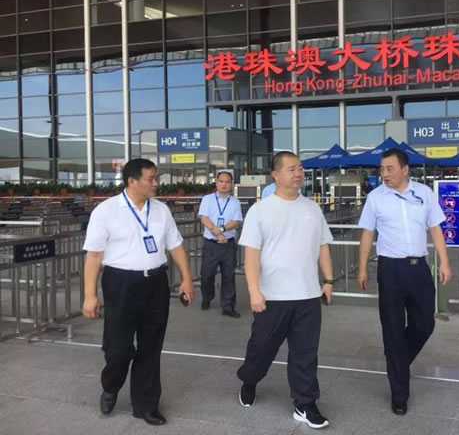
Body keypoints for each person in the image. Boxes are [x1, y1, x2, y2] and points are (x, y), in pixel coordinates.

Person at [82, 158, 194, 426]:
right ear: (132, 181)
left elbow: (176, 246)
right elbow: (94, 256)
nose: (156, 184)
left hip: (155, 283)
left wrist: (187, 279)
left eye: (157, 178)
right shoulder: (106, 211)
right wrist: (89, 295)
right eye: (150, 179)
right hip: (120, 284)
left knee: (151, 346)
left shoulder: (161, 210)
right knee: (118, 348)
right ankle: (111, 386)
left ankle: (146, 405)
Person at [237, 151, 334, 429]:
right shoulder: (260, 210)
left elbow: (323, 246)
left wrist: (328, 281)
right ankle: (249, 380)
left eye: (300, 168)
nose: (298, 173)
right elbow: (251, 254)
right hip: (272, 297)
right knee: (261, 349)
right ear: (275, 175)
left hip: (307, 295)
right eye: (292, 169)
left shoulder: (312, 209)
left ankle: (305, 404)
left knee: (305, 353)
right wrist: (254, 290)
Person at [356, 148, 451, 416]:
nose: (384, 174)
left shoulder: (424, 193)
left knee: (425, 324)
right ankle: (399, 394)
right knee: (393, 330)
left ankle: (396, 361)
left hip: (419, 268)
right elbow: (367, 234)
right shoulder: (375, 198)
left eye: (389, 169)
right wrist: (362, 268)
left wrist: (444, 261)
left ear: (405, 169)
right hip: (391, 270)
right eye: (382, 169)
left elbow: (435, 228)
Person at [199, 171, 243, 317]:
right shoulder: (207, 199)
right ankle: (207, 297)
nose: (224, 184)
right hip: (211, 244)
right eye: (221, 181)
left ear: (231, 184)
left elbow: (236, 221)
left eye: (227, 182)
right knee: (207, 274)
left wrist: (222, 229)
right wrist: (217, 233)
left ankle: (228, 307)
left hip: (228, 245)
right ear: (216, 182)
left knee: (228, 276)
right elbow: (204, 218)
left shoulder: (235, 202)